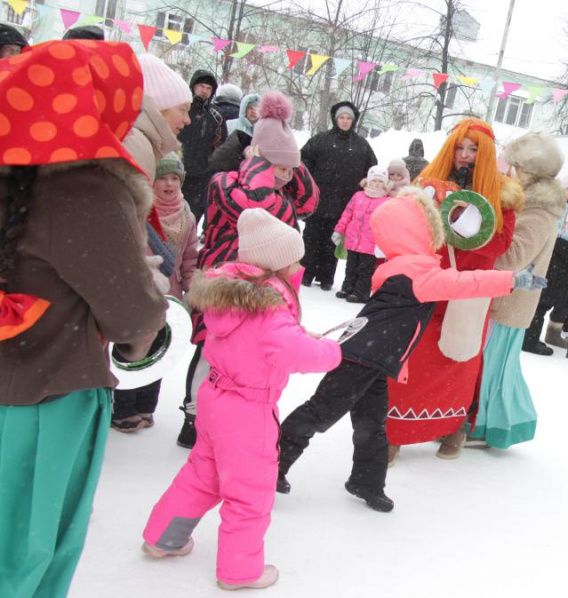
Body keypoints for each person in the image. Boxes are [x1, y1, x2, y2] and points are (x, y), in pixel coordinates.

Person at [0, 40, 166, 598]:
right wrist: (138, 340)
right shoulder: (84, 188)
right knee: (32, 540)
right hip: (50, 393)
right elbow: (133, 312)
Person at [277, 191, 545, 510]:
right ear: (421, 232)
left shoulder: (400, 266)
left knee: (373, 423)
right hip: (364, 357)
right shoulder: (418, 274)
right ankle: (271, 465)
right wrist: (510, 279)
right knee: (319, 413)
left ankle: (366, 481)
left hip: (374, 358)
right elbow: (465, 283)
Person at [142, 208, 342, 590]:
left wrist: (301, 336)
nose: (299, 265)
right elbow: (289, 349)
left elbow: (272, 339)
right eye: (294, 259)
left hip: (217, 399)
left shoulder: (238, 298)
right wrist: (331, 352)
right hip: (248, 411)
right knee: (250, 491)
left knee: (203, 473)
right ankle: (240, 571)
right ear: (277, 264)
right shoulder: (269, 308)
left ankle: (163, 538)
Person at [177, 91, 319, 449]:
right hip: (226, 286)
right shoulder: (225, 185)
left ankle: (226, 420)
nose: (287, 178)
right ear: (259, 162)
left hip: (263, 291)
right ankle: (193, 418)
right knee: (211, 353)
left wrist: (289, 158)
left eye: (291, 170)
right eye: (281, 169)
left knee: (248, 359)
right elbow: (256, 203)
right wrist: (260, 161)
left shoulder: (282, 194)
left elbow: (310, 202)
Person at [386, 118, 521, 460]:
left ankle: (453, 428)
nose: (464, 155)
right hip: (428, 283)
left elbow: (500, 244)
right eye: (460, 148)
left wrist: (463, 226)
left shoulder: (502, 196)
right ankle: (395, 432)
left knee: (457, 360)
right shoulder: (428, 185)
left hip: (470, 290)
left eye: (473, 149)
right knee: (410, 359)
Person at [469, 132, 563, 448]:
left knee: (492, 371)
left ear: (525, 171)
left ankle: (483, 426)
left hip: (507, 304)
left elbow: (512, 257)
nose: (504, 173)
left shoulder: (537, 212)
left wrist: (476, 239)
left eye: (510, 167)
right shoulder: (526, 204)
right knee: (494, 369)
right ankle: (488, 422)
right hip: (500, 299)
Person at [112, 153, 198, 432]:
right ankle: (123, 410)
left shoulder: (187, 215)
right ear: (151, 180)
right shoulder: (139, 209)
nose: (169, 184)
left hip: (169, 297)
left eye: (175, 178)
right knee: (133, 348)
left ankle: (146, 406)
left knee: (159, 350)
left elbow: (188, 257)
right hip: (138, 292)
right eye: (162, 177)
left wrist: (190, 289)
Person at [300, 101, 378, 290]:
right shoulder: (320, 140)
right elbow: (303, 161)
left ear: (353, 121)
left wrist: (365, 183)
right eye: (341, 117)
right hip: (318, 201)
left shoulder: (361, 146)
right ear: (335, 119)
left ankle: (326, 278)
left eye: (348, 118)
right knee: (311, 238)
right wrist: (308, 182)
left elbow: (373, 170)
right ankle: (305, 274)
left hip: (344, 205)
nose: (344, 121)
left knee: (333, 242)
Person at [523, 174, 568, 355]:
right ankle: (529, 340)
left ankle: (531, 338)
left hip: (563, 270)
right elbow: (554, 235)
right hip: (553, 265)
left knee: (545, 303)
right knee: (540, 304)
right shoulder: (557, 209)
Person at [333, 165, 390, 303]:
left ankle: (361, 293)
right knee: (350, 266)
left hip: (371, 243)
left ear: (385, 184)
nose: (376, 184)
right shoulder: (358, 196)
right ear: (368, 181)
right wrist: (339, 230)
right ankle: (347, 288)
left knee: (365, 270)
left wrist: (384, 243)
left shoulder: (386, 201)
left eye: (380, 181)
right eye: (374, 180)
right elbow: (347, 214)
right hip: (353, 240)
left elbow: (387, 224)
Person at [178, 68, 224, 220]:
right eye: (201, 86)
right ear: (193, 86)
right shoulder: (181, 108)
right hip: (176, 171)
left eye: (209, 88)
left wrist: (211, 170)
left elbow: (221, 147)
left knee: (191, 218)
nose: (204, 91)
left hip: (200, 178)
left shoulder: (216, 117)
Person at [209, 92, 261, 174]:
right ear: (244, 109)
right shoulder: (230, 124)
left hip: (250, 171)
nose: (253, 111)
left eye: (256, 108)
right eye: (250, 108)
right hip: (227, 169)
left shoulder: (261, 131)